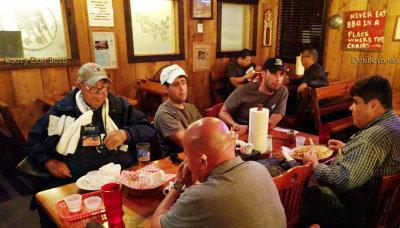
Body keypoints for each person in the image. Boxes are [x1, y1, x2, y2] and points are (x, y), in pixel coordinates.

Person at [27, 62, 155, 184]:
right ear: (79, 86)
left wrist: (126, 134)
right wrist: (48, 162)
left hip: (120, 174)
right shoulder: (63, 109)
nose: (101, 94)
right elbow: (34, 139)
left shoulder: (118, 105)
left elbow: (147, 128)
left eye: (104, 87)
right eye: (93, 88)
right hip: (75, 179)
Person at [301, 75, 400, 227]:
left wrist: (314, 165)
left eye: (355, 102)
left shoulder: (370, 140)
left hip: (359, 215)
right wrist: (348, 148)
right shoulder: (395, 122)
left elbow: (341, 180)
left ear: (373, 105)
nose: (350, 108)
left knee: (304, 192)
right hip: (388, 211)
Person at [151, 117, 286, 228]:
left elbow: (156, 224)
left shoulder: (201, 196)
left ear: (203, 160)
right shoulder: (259, 169)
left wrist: (178, 186)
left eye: (188, 157)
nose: (187, 163)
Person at [219, 57, 289, 135]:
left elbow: (271, 123)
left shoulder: (282, 92)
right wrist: (235, 125)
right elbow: (223, 112)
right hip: (241, 134)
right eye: (273, 73)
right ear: (263, 74)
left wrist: (248, 128)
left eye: (281, 74)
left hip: (263, 133)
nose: (278, 79)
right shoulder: (243, 90)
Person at [154, 64, 202, 164]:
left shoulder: (191, 107)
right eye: (176, 85)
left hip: (196, 156)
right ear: (166, 89)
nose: (182, 88)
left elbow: (204, 132)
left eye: (183, 83)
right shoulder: (164, 113)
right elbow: (187, 143)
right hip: (176, 164)